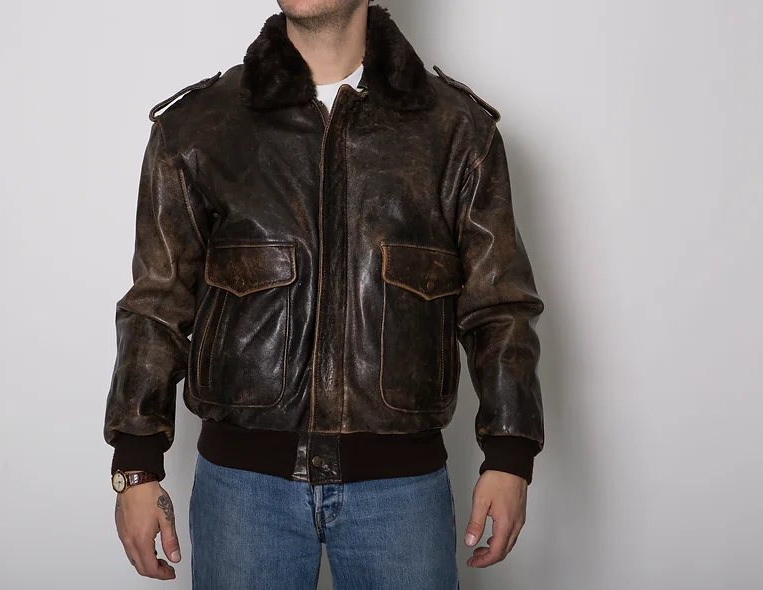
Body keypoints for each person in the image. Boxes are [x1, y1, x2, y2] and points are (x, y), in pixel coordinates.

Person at [104, 1, 545, 587]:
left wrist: (510, 456)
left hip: (401, 493)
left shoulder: (457, 131)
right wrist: (135, 464)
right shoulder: (198, 128)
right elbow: (158, 302)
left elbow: (500, 307)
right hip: (242, 491)